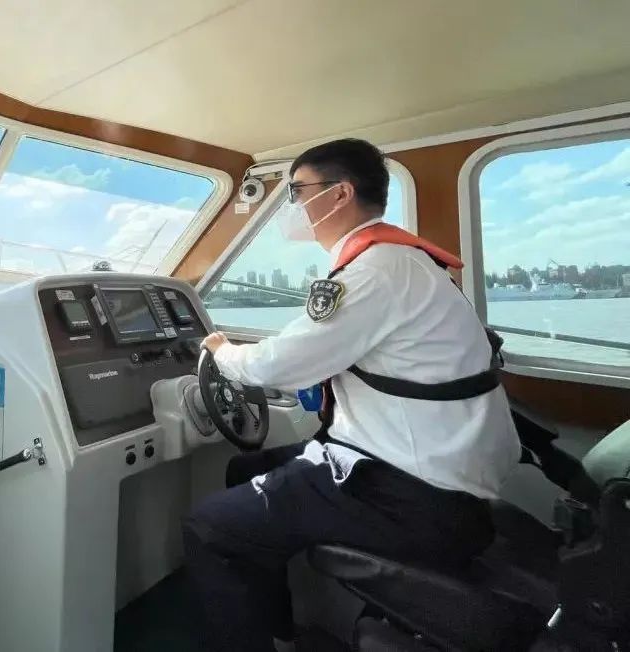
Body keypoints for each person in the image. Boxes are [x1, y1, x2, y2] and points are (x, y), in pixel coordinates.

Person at [182, 138, 521, 652]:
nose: (292, 206)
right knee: (244, 470)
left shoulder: (373, 271)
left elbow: (279, 366)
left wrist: (222, 352)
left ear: (339, 194)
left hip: (411, 494)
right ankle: (278, 631)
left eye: (297, 191)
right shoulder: (405, 261)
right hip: (434, 472)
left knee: (208, 528)